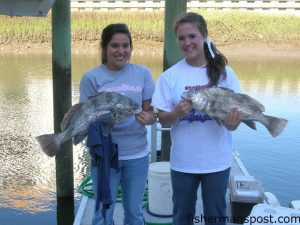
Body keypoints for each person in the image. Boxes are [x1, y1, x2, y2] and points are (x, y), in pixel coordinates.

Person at [151, 12, 243, 225]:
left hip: (217, 162)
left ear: (204, 36)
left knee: (216, 217)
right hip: (183, 163)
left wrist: (232, 124)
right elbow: (163, 119)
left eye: (192, 36)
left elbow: (234, 120)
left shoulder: (225, 74)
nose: (187, 42)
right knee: (182, 216)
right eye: (181, 38)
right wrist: (175, 114)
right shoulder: (170, 76)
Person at [79, 23, 156, 225]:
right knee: (103, 215)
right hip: (104, 156)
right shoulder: (91, 78)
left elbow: (150, 112)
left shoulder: (143, 73)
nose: (121, 51)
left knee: (134, 213)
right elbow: (85, 115)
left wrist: (150, 118)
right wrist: (104, 118)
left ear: (131, 47)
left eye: (126, 45)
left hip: (137, 155)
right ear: (104, 48)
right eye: (114, 45)